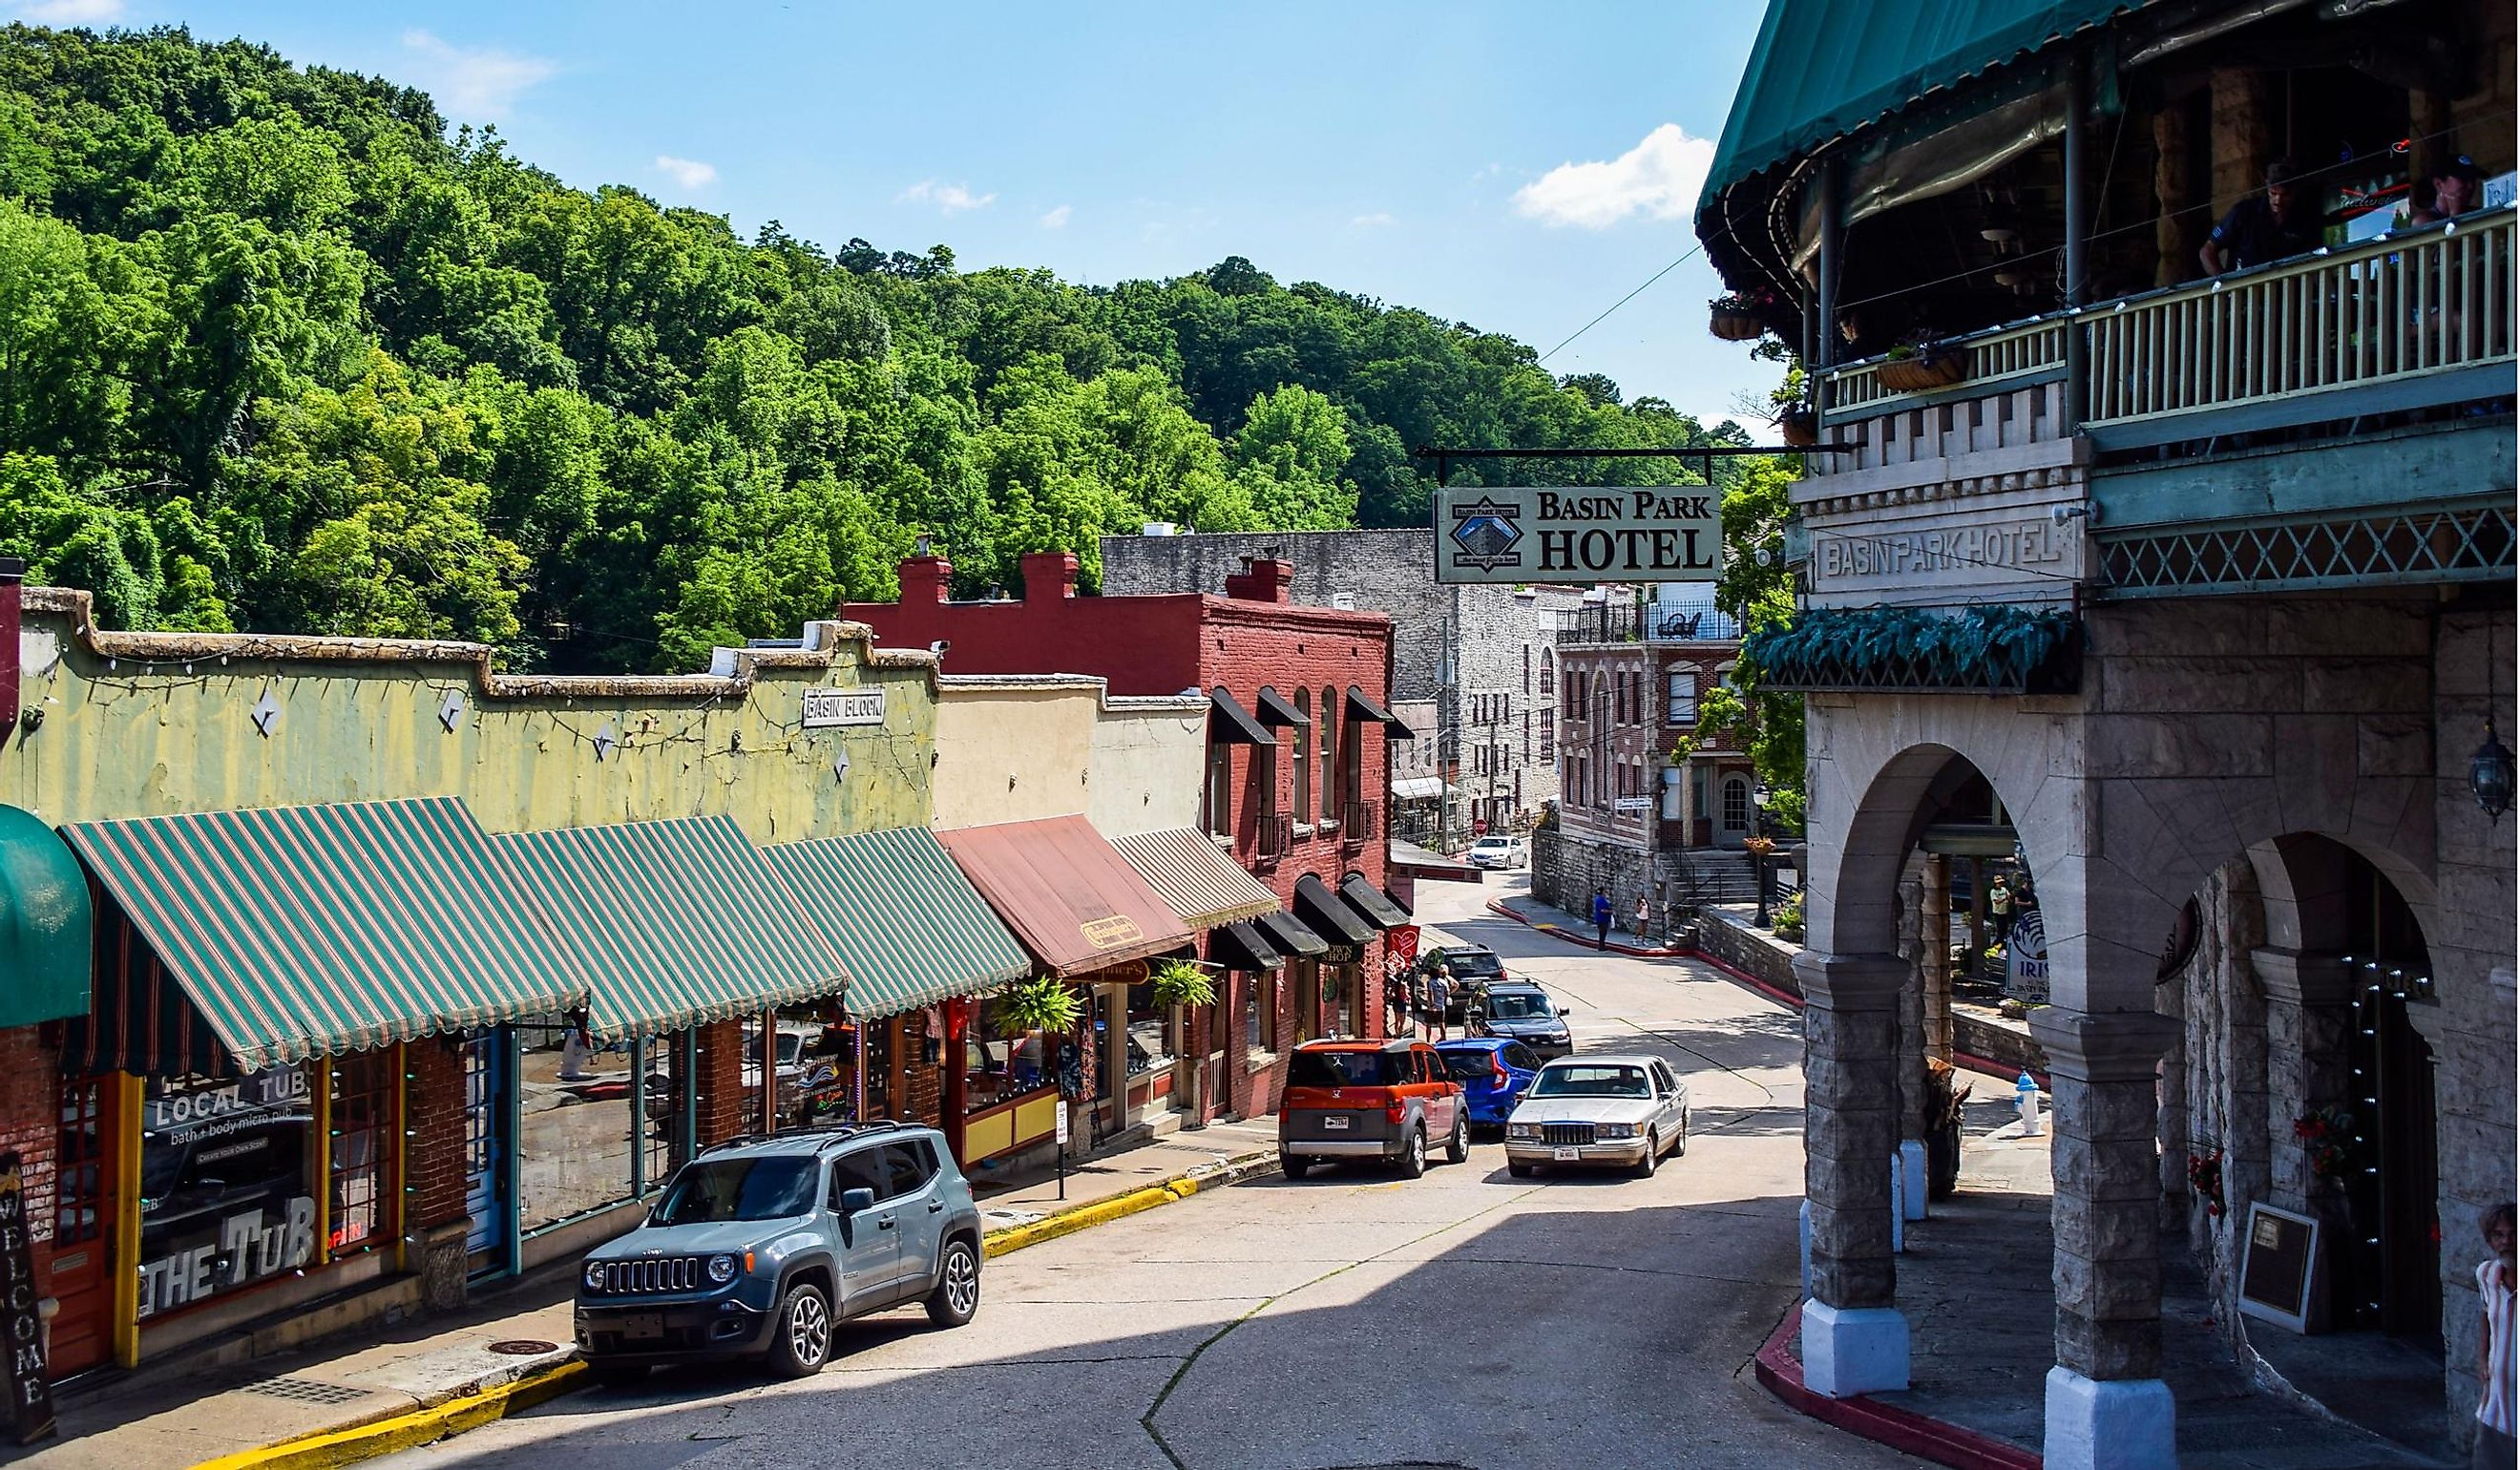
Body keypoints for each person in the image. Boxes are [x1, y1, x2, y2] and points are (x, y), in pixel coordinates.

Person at [2200, 157, 2319, 275]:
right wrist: (2223, 284)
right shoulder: (2244, 212)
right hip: (2243, 288)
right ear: (2267, 186)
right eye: (2273, 193)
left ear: (2294, 192)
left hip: (2284, 289)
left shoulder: (2303, 219)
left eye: (2285, 195)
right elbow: (2208, 250)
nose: (2278, 200)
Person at [2477, 1202, 2516, 1469]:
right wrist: (2482, 1359)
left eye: (2514, 1234)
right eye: (2498, 1235)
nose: (2507, 1242)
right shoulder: (2486, 1274)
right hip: (2495, 1410)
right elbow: (2485, 1315)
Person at [2413, 155, 2487, 227]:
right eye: (2463, 179)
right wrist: (2455, 215)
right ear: (2439, 184)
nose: (2470, 186)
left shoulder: (2476, 213)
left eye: (2473, 180)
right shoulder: (2424, 220)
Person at [1424, 964, 1453, 1043]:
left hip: (1432, 1006)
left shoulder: (1430, 982)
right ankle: (1444, 1038)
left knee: (1428, 1024)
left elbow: (1431, 993)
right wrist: (1442, 998)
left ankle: (1428, 1041)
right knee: (1441, 1023)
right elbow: (1447, 992)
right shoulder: (1444, 982)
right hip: (1441, 1005)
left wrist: (1432, 1004)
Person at [1988, 874, 2015, 948]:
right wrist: (2004, 898)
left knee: (2005, 928)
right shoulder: (1993, 891)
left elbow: (2009, 898)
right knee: (2000, 929)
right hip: (1997, 912)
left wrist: (2010, 897)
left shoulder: (2004, 889)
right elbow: (1996, 901)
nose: (2000, 884)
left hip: (2005, 911)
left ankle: (2002, 943)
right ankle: (1996, 943)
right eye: (1998, 883)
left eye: (2001, 883)